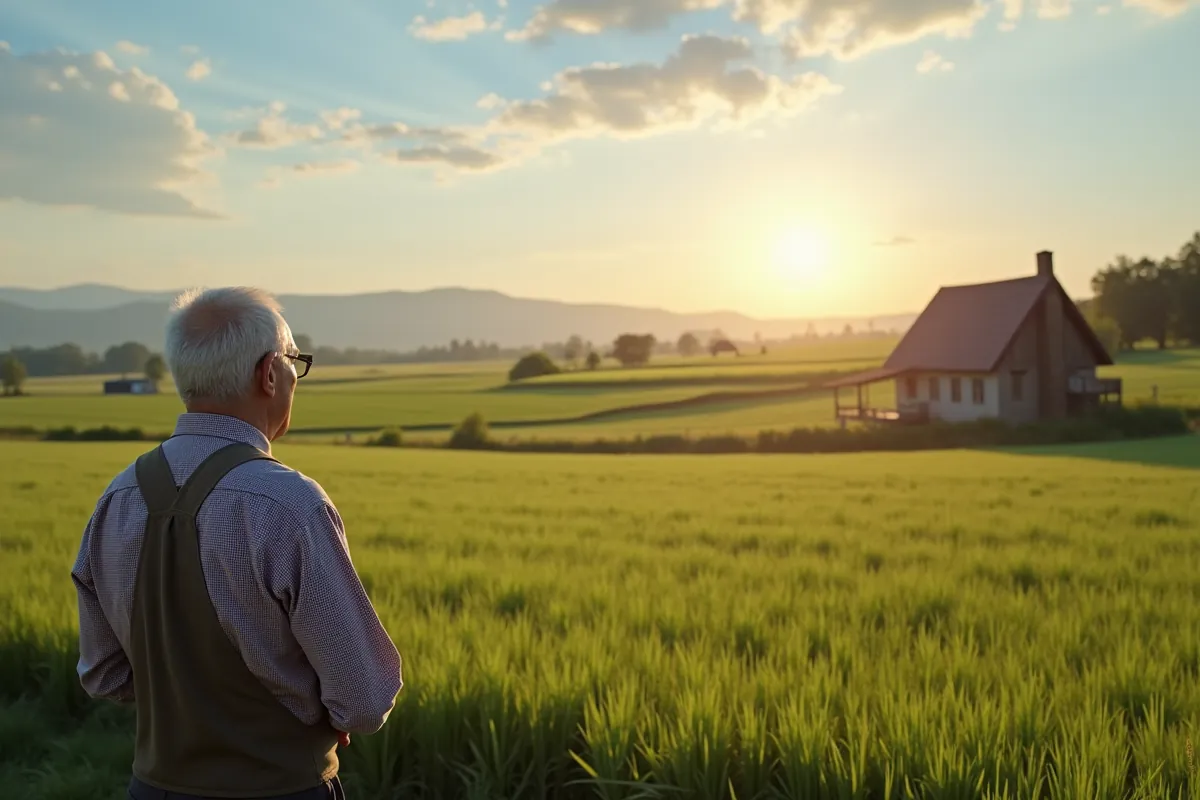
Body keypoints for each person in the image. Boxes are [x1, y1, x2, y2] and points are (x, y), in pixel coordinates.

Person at [71, 287, 403, 800]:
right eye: (295, 362)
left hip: (153, 788)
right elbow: (363, 699)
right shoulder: (286, 503)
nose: (296, 377)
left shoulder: (117, 498)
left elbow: (106, 675)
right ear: (269, 373)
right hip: (281, 791)